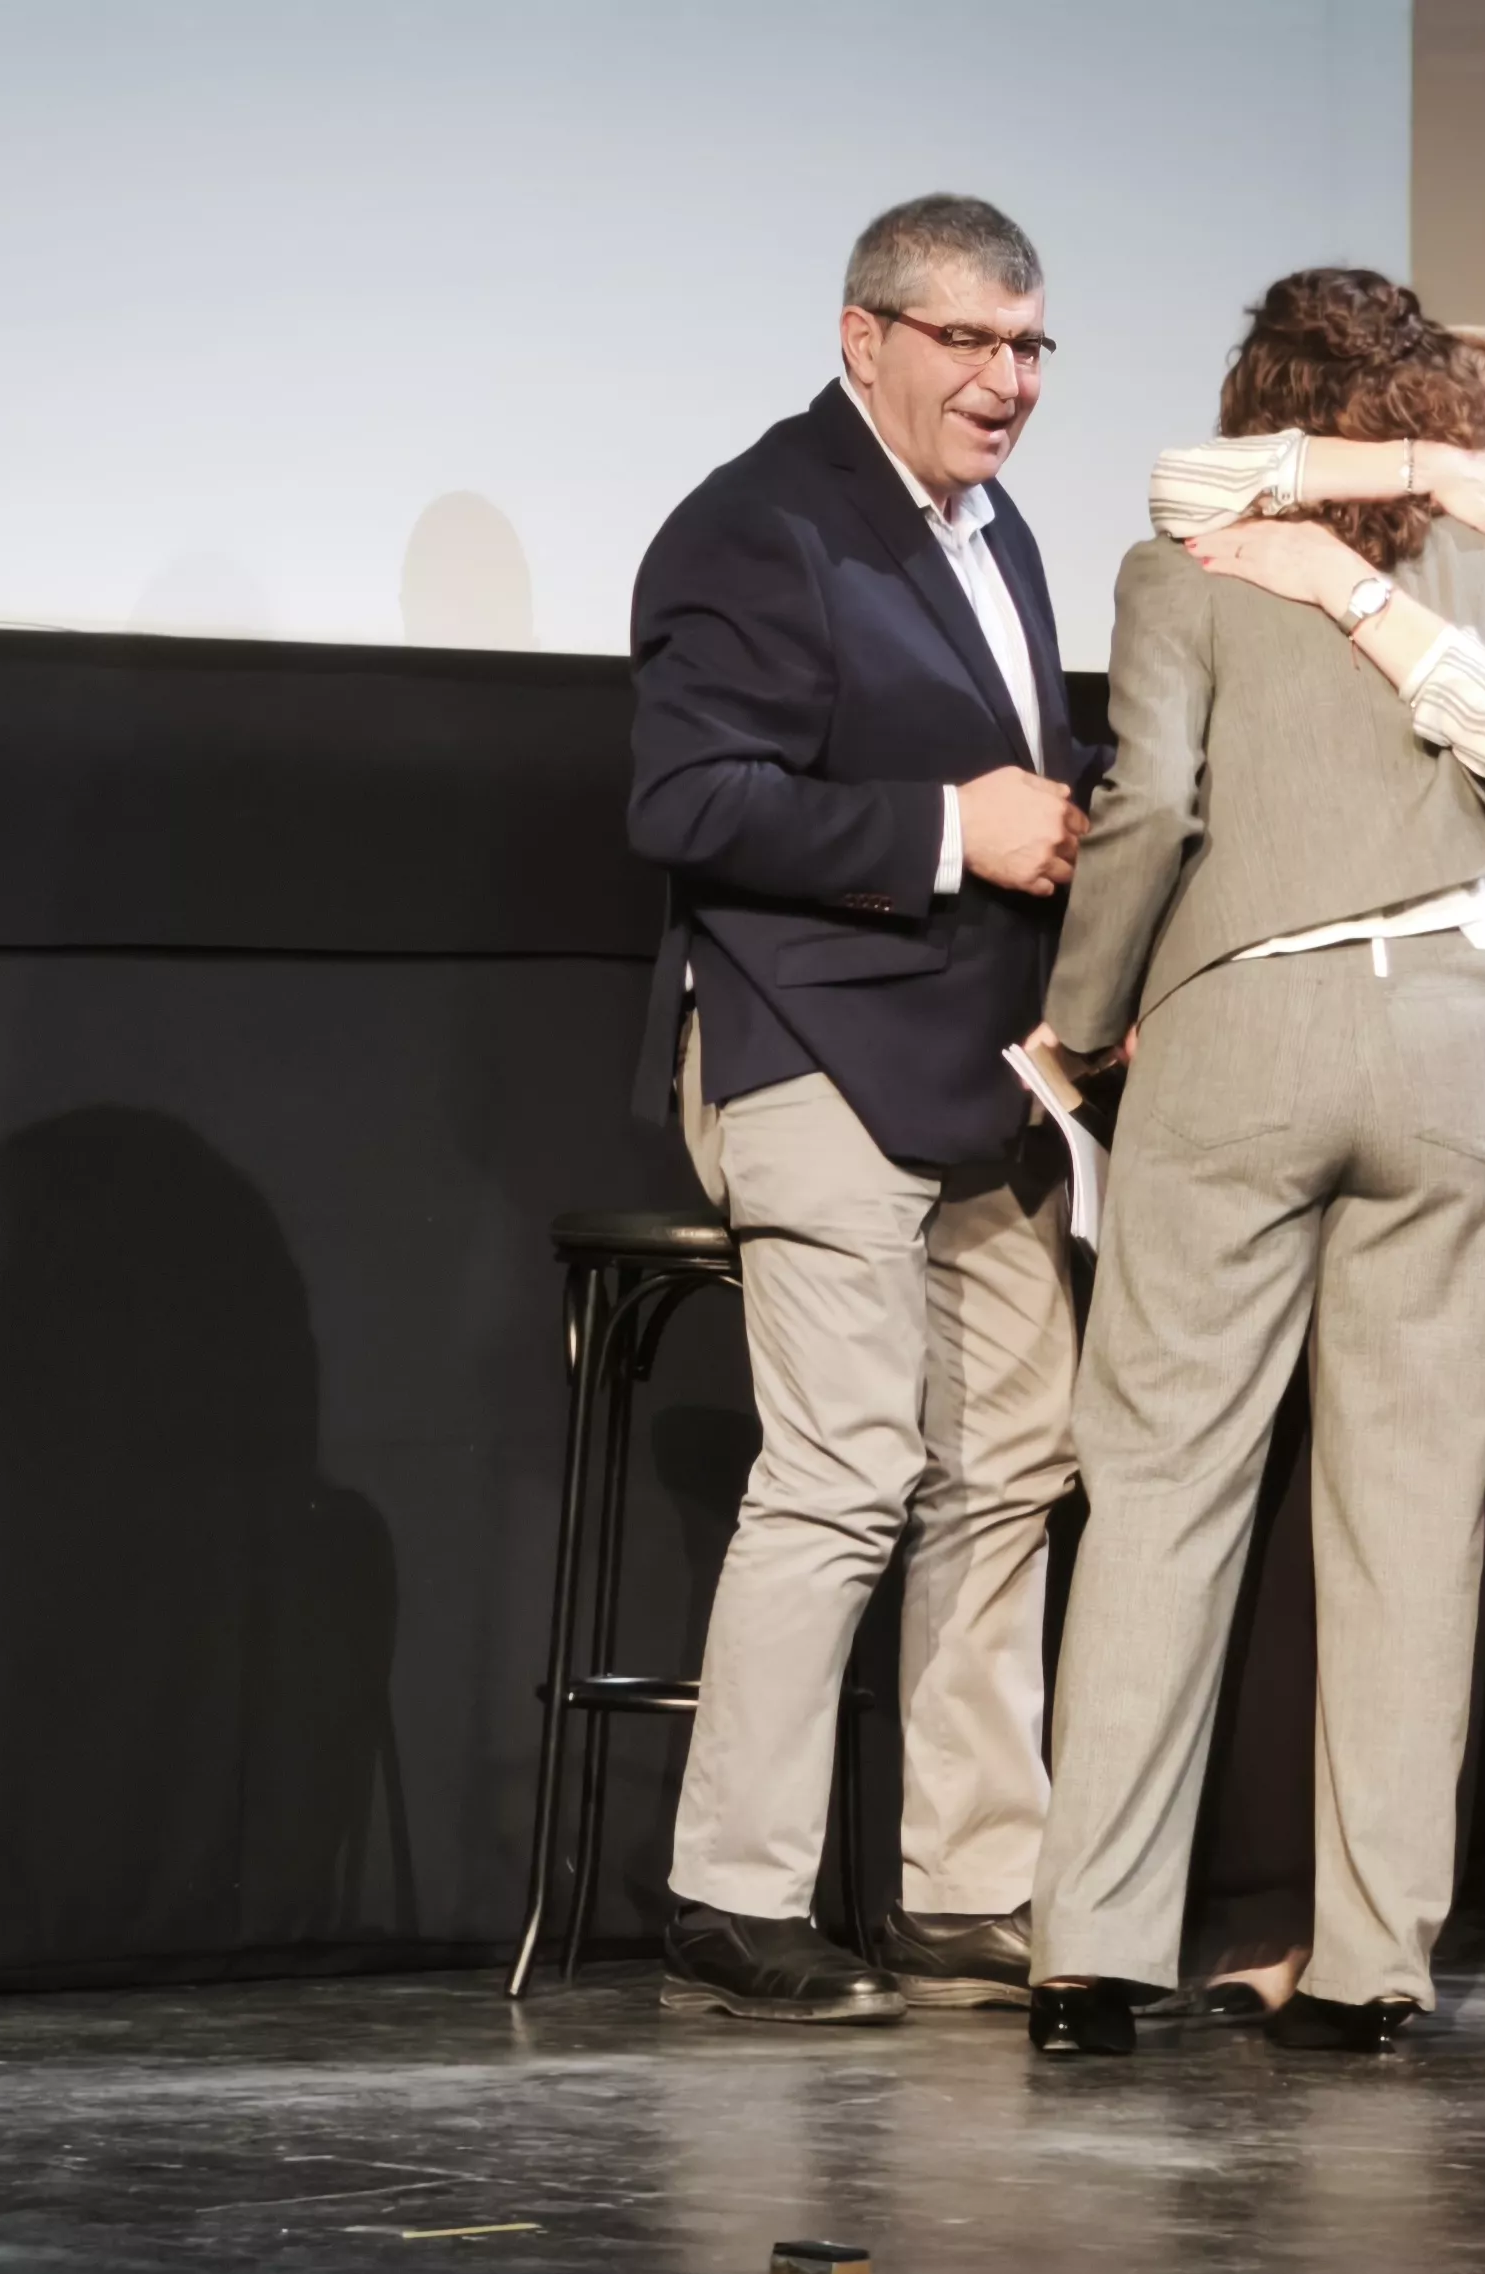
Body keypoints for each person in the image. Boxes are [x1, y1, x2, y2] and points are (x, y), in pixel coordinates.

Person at [1022, 271, 1485, 2054]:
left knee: (1161, 1504)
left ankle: (1093, 1958)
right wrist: (1443, 487)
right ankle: (1373, 1968)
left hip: (1241, 1040)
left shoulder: (1189, 571)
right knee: (1410, 1527)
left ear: (1257, 402)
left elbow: (1150, 812)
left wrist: (1078, 1017)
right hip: (1448, 1057)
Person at [622, 193, 1102, 2024]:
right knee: (843, 1468)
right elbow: (688, 801)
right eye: (970, 340)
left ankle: (966, 1884)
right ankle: (731, 1896)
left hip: (977, 1063)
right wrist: (945, 827)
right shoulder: (760, 524)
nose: (1008, 380)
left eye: (1032, 344)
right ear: (865, 338)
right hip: (805, 1039)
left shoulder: (999, 533)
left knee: (1015, 1461)